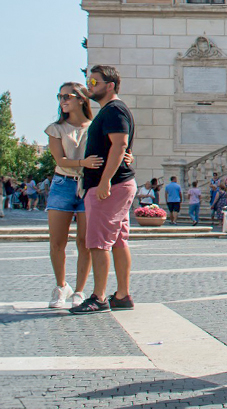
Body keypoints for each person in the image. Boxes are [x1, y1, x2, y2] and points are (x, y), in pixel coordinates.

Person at [71, 65, 137, 314]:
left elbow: (119, 145)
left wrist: (104, 180)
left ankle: (98, 297)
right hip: (117, 183)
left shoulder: (114, 110)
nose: (90, 86)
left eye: (94, 82)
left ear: (110, 85)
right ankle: (122, 295)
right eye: (89, 82)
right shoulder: (113, 110)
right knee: (119, 240)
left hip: (110, 186)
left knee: (98, 243)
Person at [45, 83, 98, 308]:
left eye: (67, 96)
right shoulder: (55, 129)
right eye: (59, 96)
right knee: (57, 241)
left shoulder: (95, 127)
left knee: (84, 242)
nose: (62, 100)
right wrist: (83, 163)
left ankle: (78, 291)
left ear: (81, 99)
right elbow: (60, 160)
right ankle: (60, 286)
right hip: (62, 184)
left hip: (88, 186)